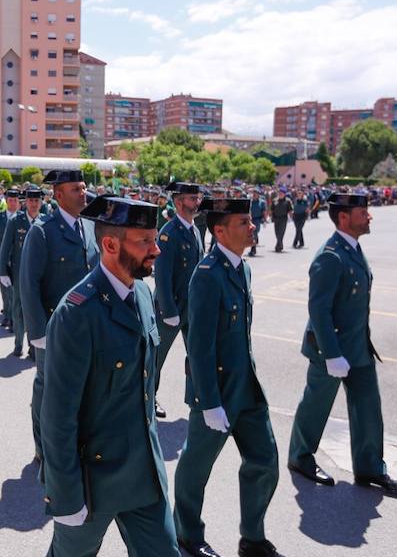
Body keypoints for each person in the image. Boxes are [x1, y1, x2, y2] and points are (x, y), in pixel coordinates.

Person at [41, 195, 180, 557]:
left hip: (144, 473)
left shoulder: (144, 296)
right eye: (145, 241)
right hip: (93, 480)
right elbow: (57, 416)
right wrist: (66, 495)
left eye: (155, 239)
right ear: (110, 244)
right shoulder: (77, 314)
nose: (156, 251)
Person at [173, 197, 280, 557]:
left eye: (251, 221)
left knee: (265, 461)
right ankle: (187, 533)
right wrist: (209, 402)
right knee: (195, 468)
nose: (253, 227)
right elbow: (199, 347)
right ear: (219, 230)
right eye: (243, 222)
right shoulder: (206, 276)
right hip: (216, 392)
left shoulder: (242, 269)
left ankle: (252, 538)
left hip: (246, 388)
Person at [288, 193, 397, 493]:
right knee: (316, 405)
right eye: (363, 212)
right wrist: (331, 354)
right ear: (344, 217)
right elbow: (318, 309)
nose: (369, 216)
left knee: (368, 407)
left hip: (358, 348)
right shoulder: (330, 255)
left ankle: (369, 467)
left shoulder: (352, 249)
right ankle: (300, 456)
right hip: (329, 350)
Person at [20, 170, 100, 463]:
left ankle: (76, 441)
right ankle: (43, 446)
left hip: (87, 326)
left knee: (83, 385)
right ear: (59, 194)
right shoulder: (43, 231)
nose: (83, 194)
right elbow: (28, 284)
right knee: (48, 388)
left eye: (84, 188)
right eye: (76, 189)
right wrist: (37, 333)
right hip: (52, 328)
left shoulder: (90, 227)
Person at [153, 182, 203, 420]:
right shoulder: (169, 233)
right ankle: (147, 399)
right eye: (192, 198)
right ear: (179, 201)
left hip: (193, 307)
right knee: (155, 359)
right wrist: (168, 309)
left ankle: (198, 398)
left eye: (197, 198)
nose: (197, 202)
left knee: (198, 355)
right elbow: (162, 275)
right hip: (170, 308)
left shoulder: (195, 230)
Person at [0, 186, 44, 359]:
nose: (33, 204)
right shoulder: (15, 221)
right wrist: (2, 271)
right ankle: (18, 343)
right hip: (19, 275)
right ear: (25, 202)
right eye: (30, 200)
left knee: (36, 312)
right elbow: (5, 247)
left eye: (36, 200)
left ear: (41, 202)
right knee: (18, 311)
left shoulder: (45, 221)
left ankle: (34, 347)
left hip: (40, 276)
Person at [0, 189, 21, 329]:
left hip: (18, 261)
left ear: (19, 202)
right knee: (5, 290)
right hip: (2, 260)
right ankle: (7, 315)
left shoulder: (22, 218)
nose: (13, 203)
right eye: (10, 200)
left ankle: (14, 318)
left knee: (15, 291)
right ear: (6, 201)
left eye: (15, 200)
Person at [270, 189, 293, 253]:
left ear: (284, 194)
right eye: (279, 193)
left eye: (282, 193)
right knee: (277, 233)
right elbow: (272, 209)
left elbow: (290, 210)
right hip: (276, 218)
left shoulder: (287, 201)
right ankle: (280, 244)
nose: (280, 194)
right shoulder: (275, 200)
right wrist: (270, 216)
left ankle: (278, 246)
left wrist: (291, 216)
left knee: (281, 232)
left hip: (283, 218)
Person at [249, 190, 266, 257]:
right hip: (250, 219)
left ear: (258, 195)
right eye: (253, 193)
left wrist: (264, 220)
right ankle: (253, 249)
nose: (254, 195)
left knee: (255, 233)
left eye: (256, 193)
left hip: (257, 220)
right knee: (253, 234)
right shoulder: (250, 202)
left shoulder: (262, 202)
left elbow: (264, 211)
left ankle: (253, 247)